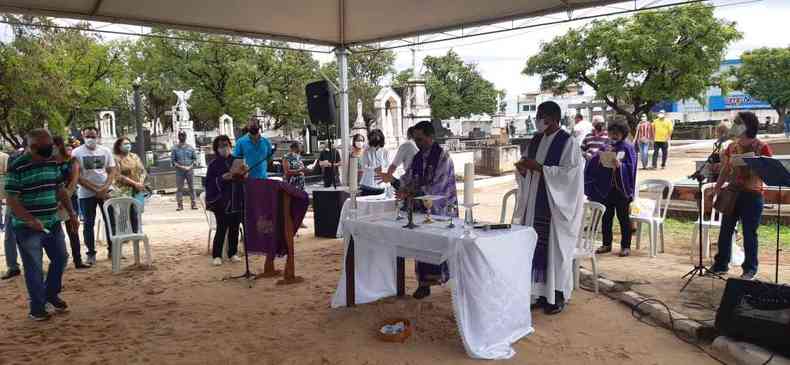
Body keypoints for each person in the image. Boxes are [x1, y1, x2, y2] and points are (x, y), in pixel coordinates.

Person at [513, 101, 584, 315]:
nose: (537, 120)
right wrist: (523, 170)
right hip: (536, 203)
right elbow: (529, 171)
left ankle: (557, 296)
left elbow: (571, 175)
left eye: (540, 116)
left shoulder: (567, 142)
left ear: (552, 119)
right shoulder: (536, 140)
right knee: (535, 249)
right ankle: (538, 293)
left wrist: (541, 169)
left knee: (555, 251)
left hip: (555, 207)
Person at [5, 129, 78, 321]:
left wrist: (71, 213)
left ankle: (51, 294)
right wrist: (29, 219)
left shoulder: (53, 161)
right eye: (46, 147)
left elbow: (60, 189)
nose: (50, 149)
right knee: (34, 267)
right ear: (33, 147)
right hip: (27, 227)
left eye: (51, 146)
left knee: (61, 257)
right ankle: (37, 308)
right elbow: (11, 199)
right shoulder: (17, 166)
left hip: (52, 221)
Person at [398, 121, 458, 300]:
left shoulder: (442, 157)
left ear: (431, 137)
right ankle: (423, 284)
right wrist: (399, 184)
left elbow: (439, 186)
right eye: (415, 140)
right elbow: (408, 177)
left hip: (441, 209)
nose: (417, 143)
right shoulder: (417, 157)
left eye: (421, 139)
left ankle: (445, 280)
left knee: (439, 246)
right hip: (420, 208)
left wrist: (414, 191)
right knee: (421, 244)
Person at [710, 112, 773, 280]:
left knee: (749, 233)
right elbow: (725, 169)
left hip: (753, 195)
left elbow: (769, 171)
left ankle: (750, 269)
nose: (734, 125)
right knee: (725, 230)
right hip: (733, 193)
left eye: (738, 122)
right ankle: (721, 264)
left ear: (747, 126)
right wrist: (717, 186)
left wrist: (755, 165)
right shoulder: (732, 146)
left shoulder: (762, 147)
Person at [585, 123, 637, 257]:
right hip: (606, 188)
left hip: (621, 189)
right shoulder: (605, 146)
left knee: (623, 218)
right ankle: (606, 244)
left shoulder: (628, 147)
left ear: (623, 134)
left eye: (616, 133)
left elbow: (631, 167)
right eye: (611, 133)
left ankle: (625, 246)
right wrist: (598, 159)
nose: (613, 136)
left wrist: (621, 166)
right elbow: (594, 161)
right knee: (606, 217)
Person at [72, 126, 116, 265]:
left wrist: (105, 188)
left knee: (110, 222)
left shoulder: (105, 151)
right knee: (88, 224)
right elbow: (77, 176)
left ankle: (113, 250)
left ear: (98, 136)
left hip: (106, 192)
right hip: (86, 194)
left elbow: (112, 171)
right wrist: (96, 190)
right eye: (88, 136)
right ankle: (91, 253)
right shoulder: (76, 153)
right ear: (83, 136)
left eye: (93, 136)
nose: (91, 139)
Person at [53, 136, 90, 269]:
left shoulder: (71, 160)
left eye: (54, 146)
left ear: (59, 146)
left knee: (73, 229)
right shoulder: (48, 162)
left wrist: (65, 198)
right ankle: (59, 261)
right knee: (55, 232)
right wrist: (57, 200)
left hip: (70, 197)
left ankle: (78, 260)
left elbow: (74, 180)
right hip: (52, 200)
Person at [205, 135, 242, 266]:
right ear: (217, 149)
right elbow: (208, 183)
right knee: (222, 228)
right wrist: (221, 178)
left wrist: (243, 173)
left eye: (226, 145)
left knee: (235, 227)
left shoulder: (237, 160)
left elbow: (242, 178)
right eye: (221, 146)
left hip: (236, 198)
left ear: (230, 146)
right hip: (220, 201)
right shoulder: (213, 164)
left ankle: (232, 253)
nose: (224, 148)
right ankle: (217, 255)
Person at [112, 137, 146, 234]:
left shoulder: (134, 156)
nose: (128, 145)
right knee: (123, 212)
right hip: (122, 189)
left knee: (135, 212)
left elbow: (142, 171)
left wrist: (140, 183)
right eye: (125, 144)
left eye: (129, 143)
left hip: (137, 189)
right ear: (119, 146)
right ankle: (123, 234)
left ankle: (135, 233)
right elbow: (118, 176)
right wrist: (134, 183)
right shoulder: (116, 158)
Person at [1, 148, 23, 280]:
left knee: (26, 236)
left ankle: (31, 265)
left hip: (28, 203)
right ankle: (13, 266)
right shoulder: (12, 161)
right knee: (10, 236)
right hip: (13, 203)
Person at [171, 131, 197, 211]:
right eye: (180, 136)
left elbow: (195, 159)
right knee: (179, 189)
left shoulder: (191, 148)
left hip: (189, 170)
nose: (182, 137)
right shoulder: (174, 148)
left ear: (185, 137)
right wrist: (181, 167)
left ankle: (193, 204)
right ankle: (180, 205)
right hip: (179, 171)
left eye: (183, 135)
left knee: (192, 188)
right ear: (178, 137)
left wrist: (190, 167)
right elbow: (173, 161)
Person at [359, 129, 389, 196]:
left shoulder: (385, 151)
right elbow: (364, 167)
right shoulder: (366, 151)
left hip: (381, 186)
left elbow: (387, 166)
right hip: (367, 185)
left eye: (378, 143)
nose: (376, 146)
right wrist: (374, 169)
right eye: (374, 143)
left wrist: (383, 169)